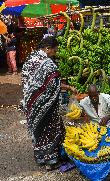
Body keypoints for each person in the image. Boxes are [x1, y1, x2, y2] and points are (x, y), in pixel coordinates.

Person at [22, 36, 77, 171]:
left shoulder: (30, 58)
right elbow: (54, 85)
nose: (55, 53)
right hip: (46, 107)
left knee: (38, 130)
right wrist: (69, 87)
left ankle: (41, 158)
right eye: (54, 50)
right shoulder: (47, 64)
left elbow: (27, 82)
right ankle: (51, 161)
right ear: (47, 49)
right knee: (50, 130)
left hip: (31, 104)